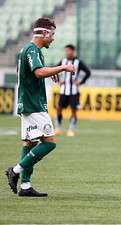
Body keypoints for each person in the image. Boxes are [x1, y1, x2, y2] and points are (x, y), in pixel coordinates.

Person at [5, 17, 75, 197]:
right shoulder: (32, 50)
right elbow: (38, 72)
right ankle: (15, 170)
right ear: (43, 33)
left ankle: (26, 186)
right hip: (33, 104)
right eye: (51, 34)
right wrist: (61, 68)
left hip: (27, 102)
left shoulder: (28, 50)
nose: (53, 38)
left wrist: (47, 72)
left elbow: (35, 72)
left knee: (30, 142)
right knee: (49, 143)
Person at [55, 44, 91, 137]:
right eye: (65, 51)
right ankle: (58, 127)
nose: (66, 53)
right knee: (59, 108)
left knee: (73, 110)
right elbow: (54, 70)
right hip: (63, 90)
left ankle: (71, 129)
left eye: (68, 51)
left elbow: (88, 72)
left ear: (72, 51)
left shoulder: (78, 62)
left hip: (74, 91)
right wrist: (59, 81)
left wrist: (81, 82)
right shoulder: (63, 61)